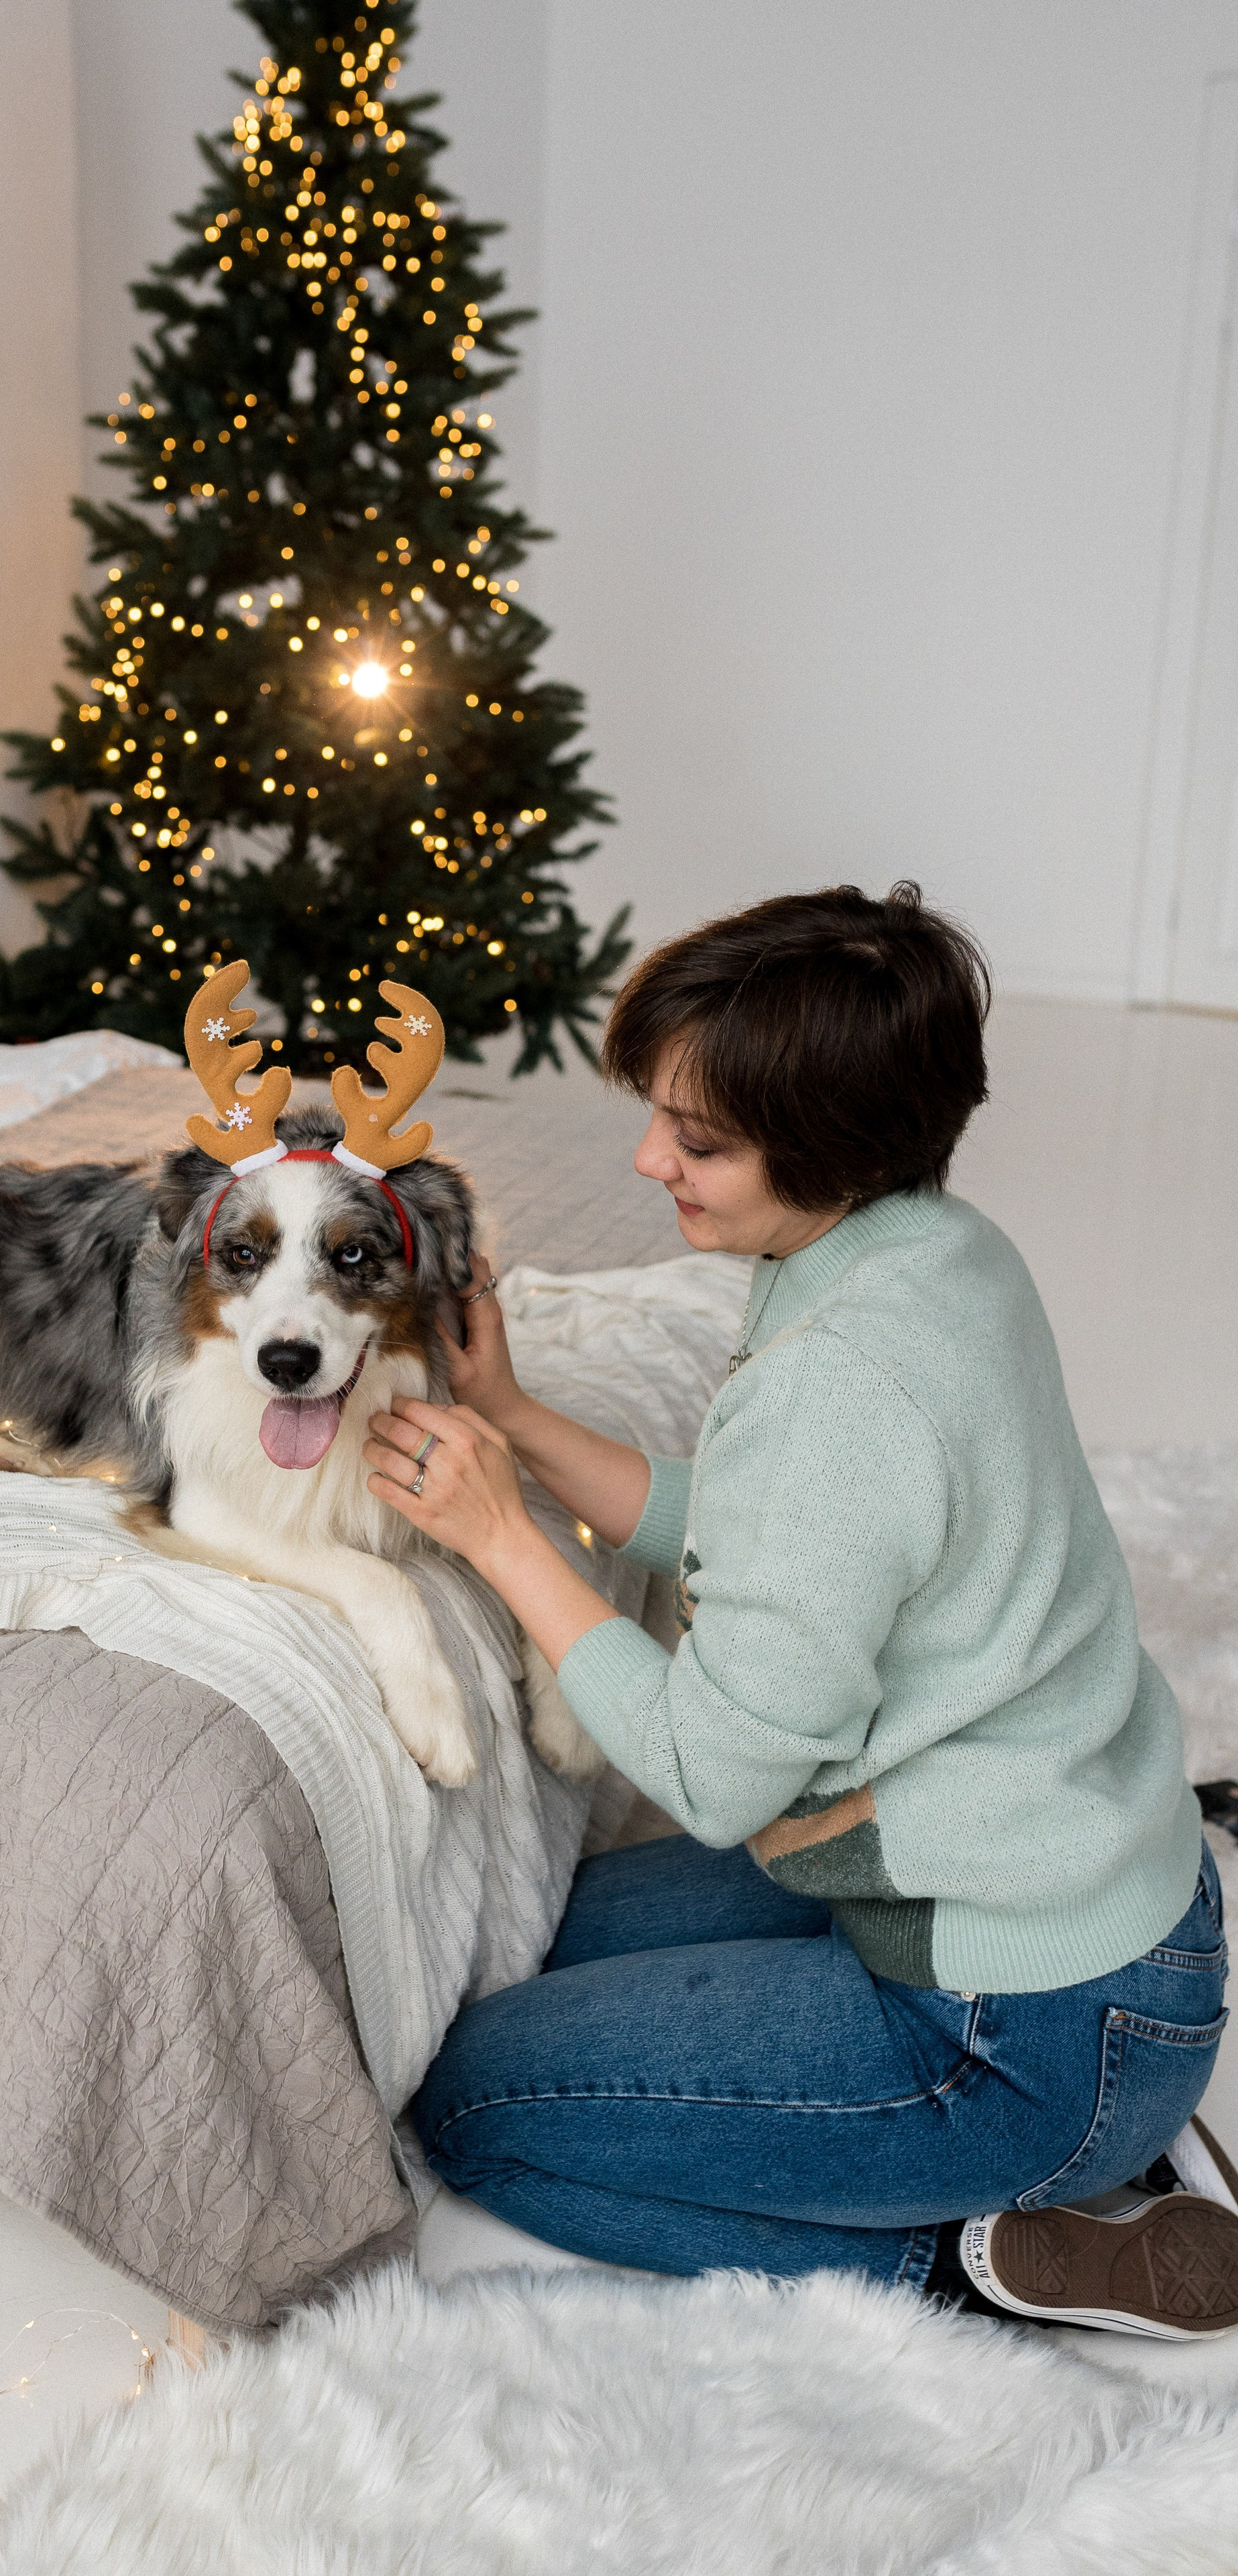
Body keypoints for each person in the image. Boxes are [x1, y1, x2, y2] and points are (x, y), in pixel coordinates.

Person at [365, 883, 1238, 2338]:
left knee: (475, 2104)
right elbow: (783, 1539)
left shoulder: (844, 1382)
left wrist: (501, 1536)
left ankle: (970, 2254)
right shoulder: (928, 1252)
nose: (649, 1159)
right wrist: (512, 1419)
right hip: (1060, 1919)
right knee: (548, 1931)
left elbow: (715, 1774)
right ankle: (1033, 2152)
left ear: (830, 1145)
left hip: (1017, 2030)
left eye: (696, 1141)